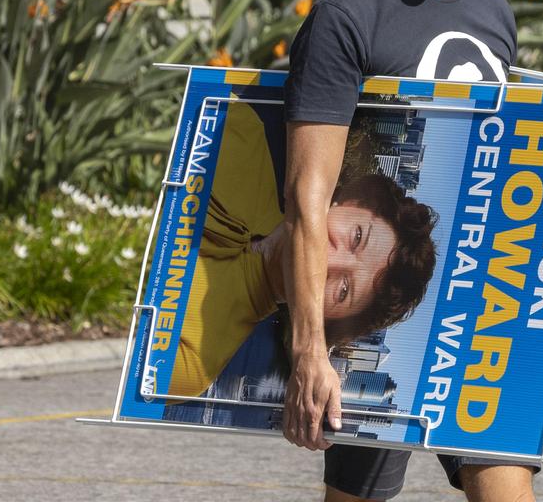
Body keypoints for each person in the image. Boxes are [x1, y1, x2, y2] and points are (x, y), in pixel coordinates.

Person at [281, 0, 533, 502]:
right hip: (375, 328)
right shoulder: (350, 14)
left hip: (476, 316)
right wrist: (311, 350)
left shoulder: (492, 12)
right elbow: (309, 201)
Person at [166, 101, 437, 399]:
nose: (329, 258)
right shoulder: (242, 131)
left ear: (326, 321)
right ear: (346, 201)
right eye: (357, 236)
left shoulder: (192, 364)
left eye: (344, 289)